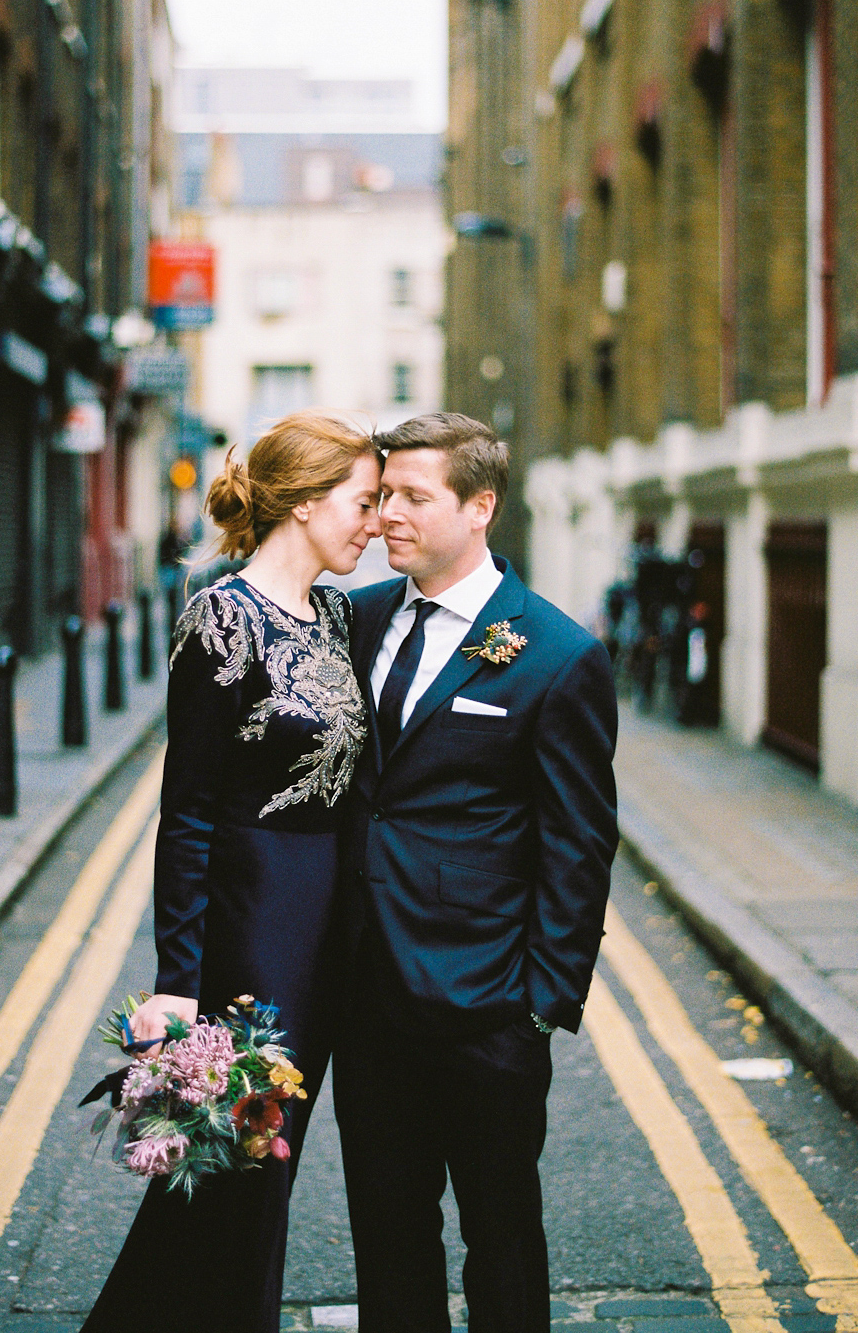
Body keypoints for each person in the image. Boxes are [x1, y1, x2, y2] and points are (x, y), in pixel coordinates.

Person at [80, 412, 382, 1333]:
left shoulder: (335, 613)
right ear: (301, 503)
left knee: (254, 1169)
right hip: (255, 931)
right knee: (243, 1162)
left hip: (331, 924)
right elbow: (189, 812)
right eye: (362, 503)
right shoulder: (222, 618)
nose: (372, 523)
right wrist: (179, 981)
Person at [334, 412, 618, 1333]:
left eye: (415, 498)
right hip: (367, 1003)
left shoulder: (556, 654)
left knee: (500, 1239)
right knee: (385, 1233)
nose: (388, 519)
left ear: (481, 506)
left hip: (486, 1011)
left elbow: (580, 844)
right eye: (383, 498)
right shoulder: (357, 618)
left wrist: (540, 1003)